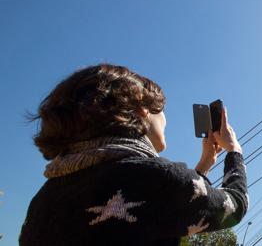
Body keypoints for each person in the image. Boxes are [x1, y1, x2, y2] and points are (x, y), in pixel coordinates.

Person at [20, 64, 248, 246]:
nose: (166, 120)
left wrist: (204, 165)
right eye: (162, 111)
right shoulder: (156, 178)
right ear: (143, 110)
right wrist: (233, 150)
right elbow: (235, 206)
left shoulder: (41, 202)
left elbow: (160, 214)